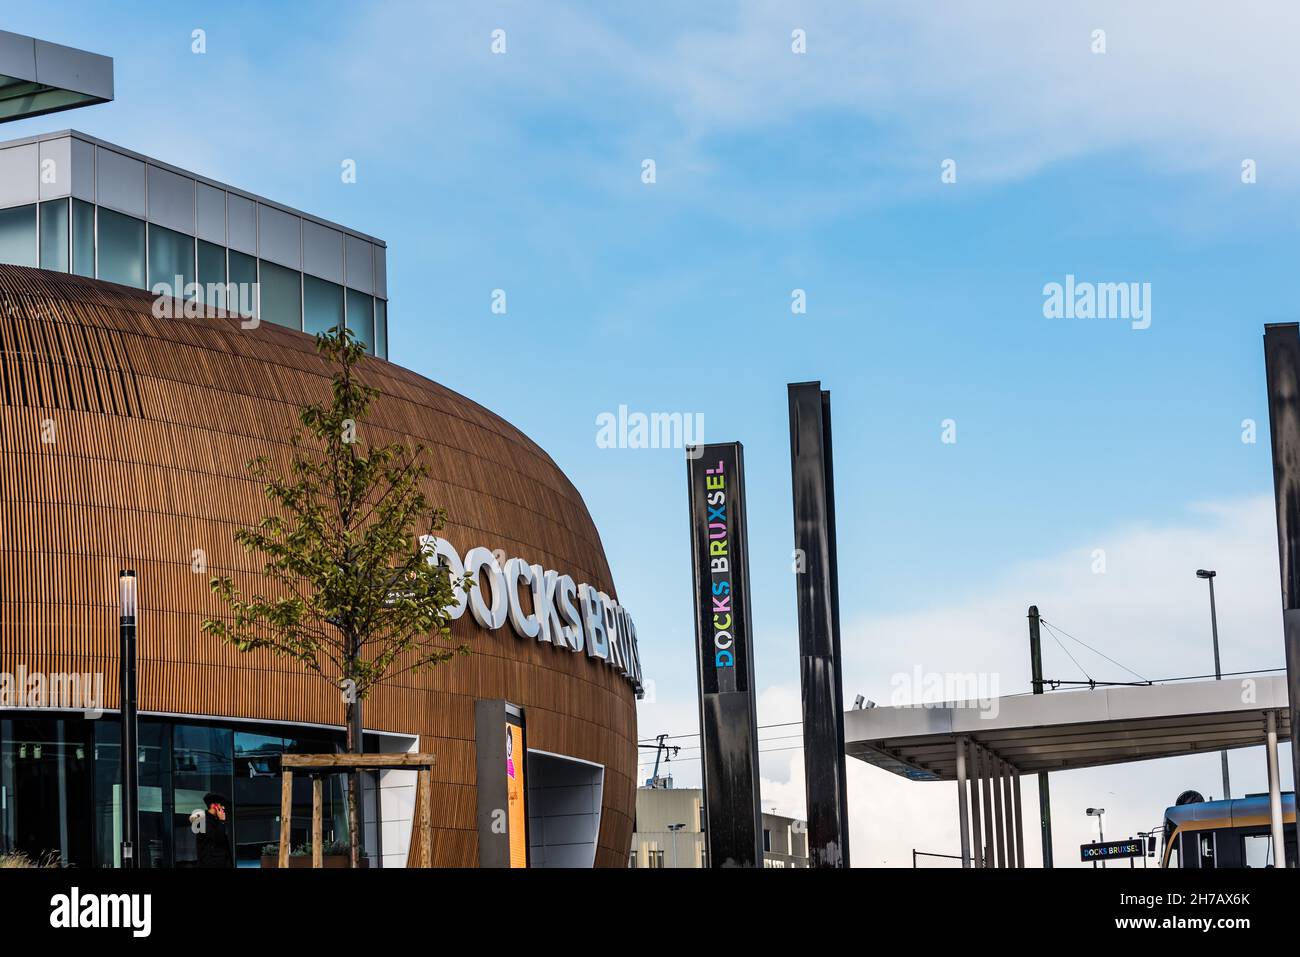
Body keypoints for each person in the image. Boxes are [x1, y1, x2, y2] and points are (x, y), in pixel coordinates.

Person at [190, 792, 233, 868]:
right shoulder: (203, 822)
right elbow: (217, 839)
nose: (223, 808)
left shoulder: (215, 821)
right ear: (214, 806)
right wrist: (222, 821)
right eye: (221, 805)